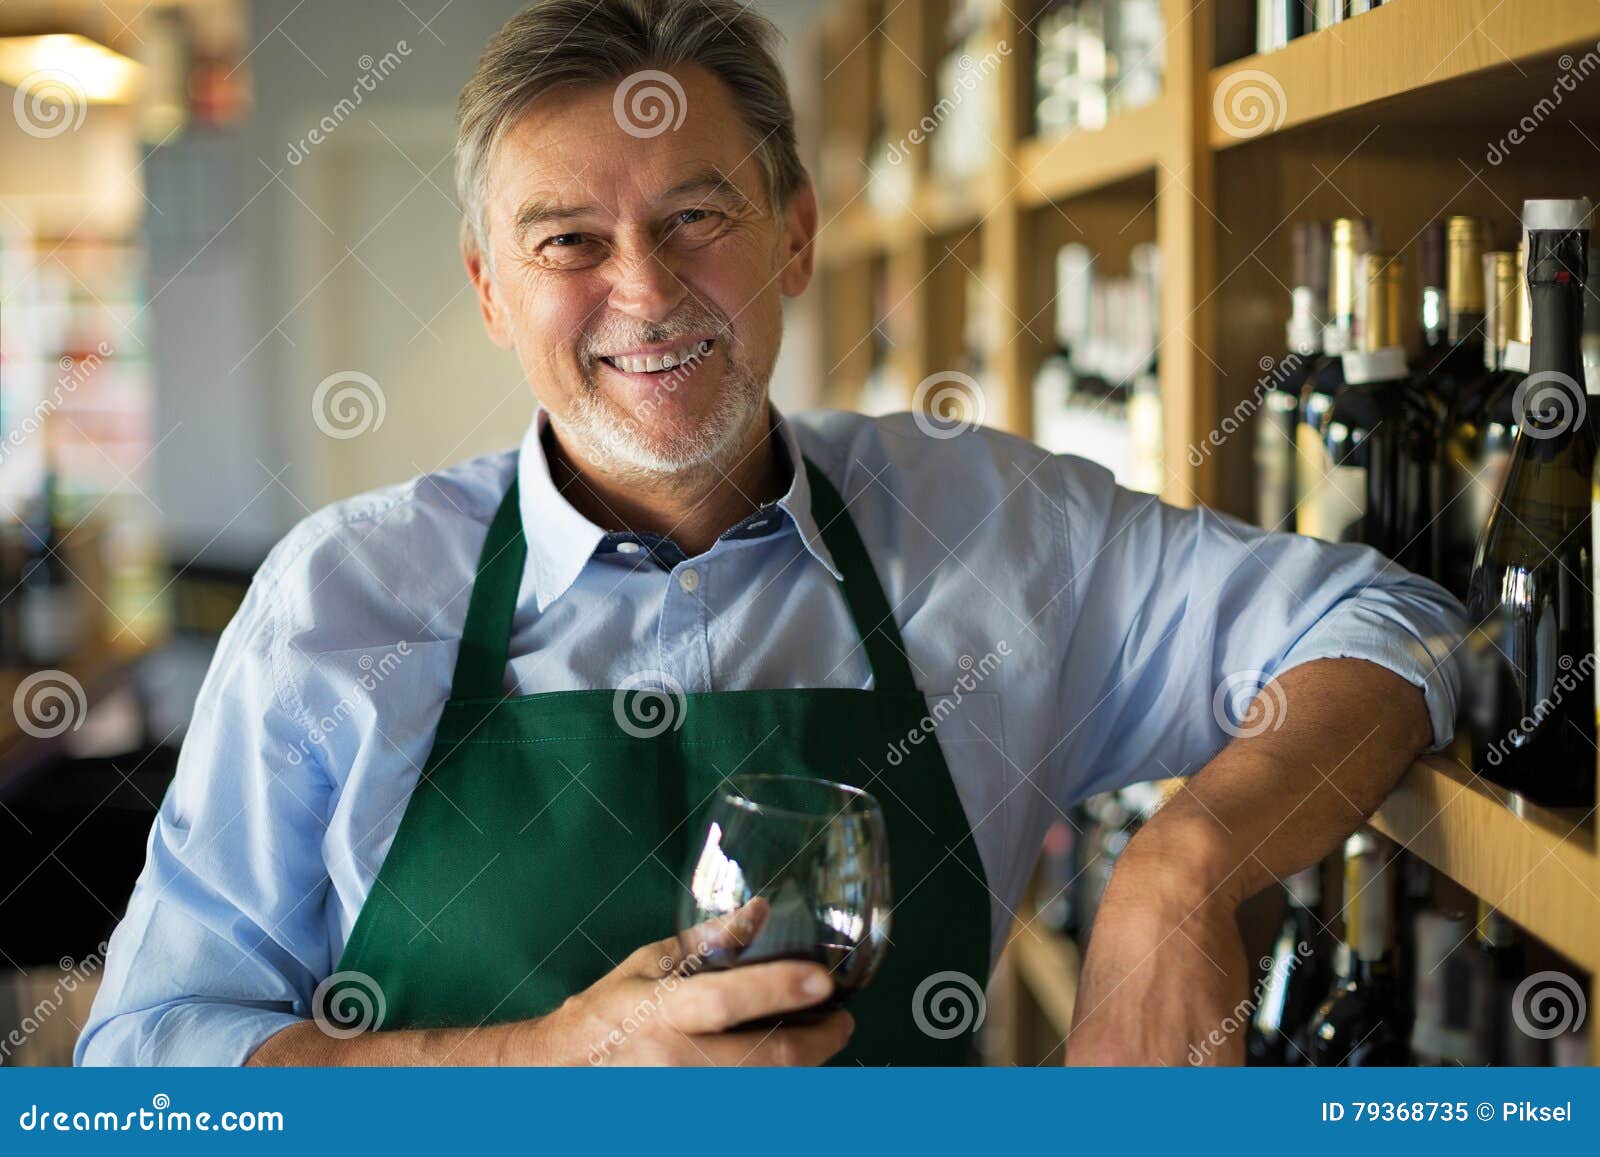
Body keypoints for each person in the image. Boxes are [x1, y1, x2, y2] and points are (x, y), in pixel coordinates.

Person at [77, 0, 1464, 1067]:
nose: (645, 291)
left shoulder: (997, 532)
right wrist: (540, 1065)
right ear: (490, 288)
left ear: (795, 234)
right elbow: (144, 1066)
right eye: (567, 241)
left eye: (697, 215)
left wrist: (1182, 870)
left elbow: (1394, 626)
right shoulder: (344, 596)